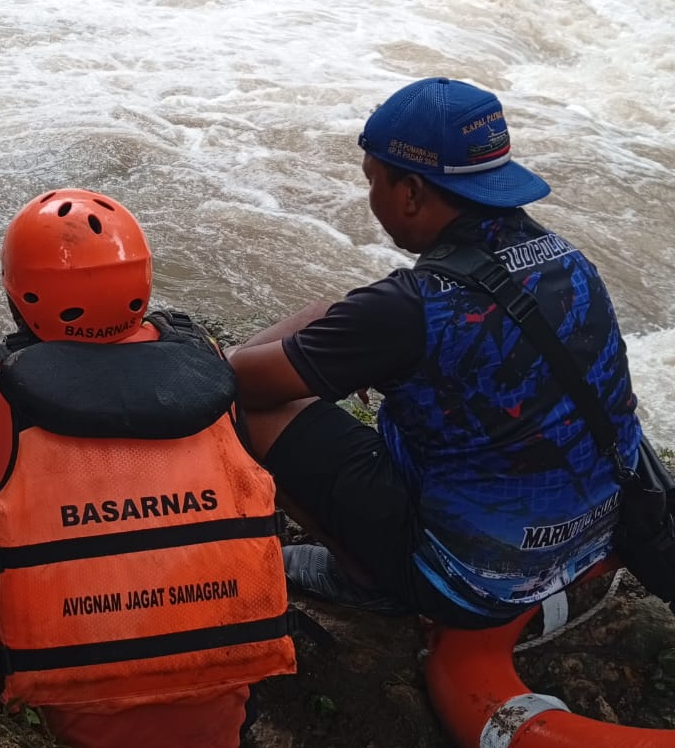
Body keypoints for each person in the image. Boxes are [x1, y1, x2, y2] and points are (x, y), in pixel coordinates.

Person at [0, 189, 295, 748]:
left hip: (72, 703)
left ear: (18, 299)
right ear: (141, 285)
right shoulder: (207, 365)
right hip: (226, 706)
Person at [228, 77, 644, 628]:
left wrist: (310, 320)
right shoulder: (569, 261)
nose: (372, 196)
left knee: (251, 414)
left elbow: (231, 383)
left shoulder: (408, 308)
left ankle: (365, 577)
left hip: (474, 583)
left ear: (412, 193)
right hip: (596, 537)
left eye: (372, 180)